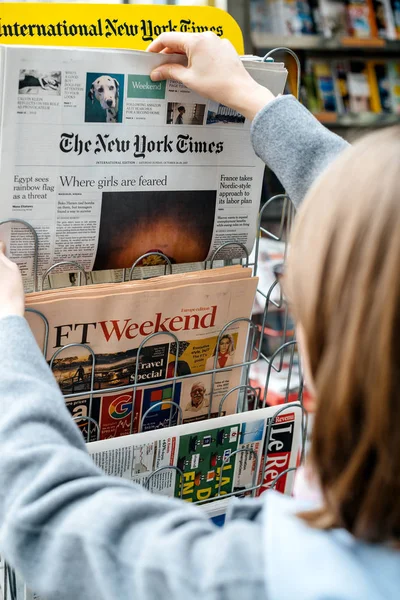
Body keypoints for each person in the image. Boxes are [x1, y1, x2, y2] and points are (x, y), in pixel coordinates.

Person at [0, 31, 399, 600]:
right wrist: (251, 97)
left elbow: (48, 517)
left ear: (338, 352)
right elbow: (375, 236)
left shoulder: (261, 583)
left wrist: (8, 335)